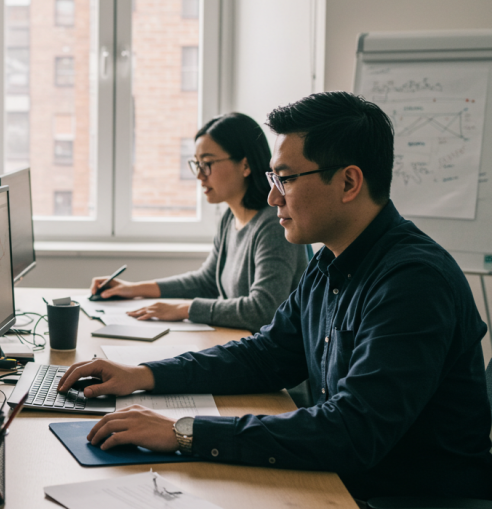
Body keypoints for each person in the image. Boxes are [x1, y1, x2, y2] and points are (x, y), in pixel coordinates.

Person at [59, 92, 492, 501]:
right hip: (339, 482)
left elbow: (353, 432)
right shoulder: (330, 263)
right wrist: (142, 375)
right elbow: (266, 355)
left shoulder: (413, 282)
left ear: (348, 182)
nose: (271, 196)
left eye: (284, 178)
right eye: (272, 178)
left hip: (397, 498)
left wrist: (183, 432)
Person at [90, 113, 307, 332]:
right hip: (237, 342)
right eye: (197, 164)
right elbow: (207, 281)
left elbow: (263, 309)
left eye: (208, 163)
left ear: (245, 165)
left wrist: (184, 309)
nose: (200, 175)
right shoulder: (230, 218)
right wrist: (133, 288)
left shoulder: (273, 224)